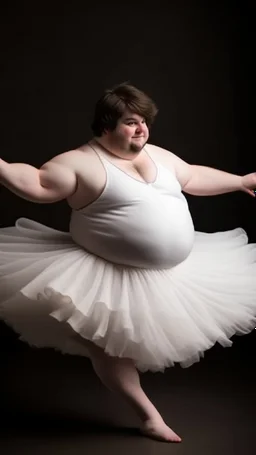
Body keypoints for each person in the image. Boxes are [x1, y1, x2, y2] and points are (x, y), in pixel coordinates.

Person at [0, 82, 256, 443]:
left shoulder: (159, 155)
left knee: (143, 340)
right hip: (103, 275)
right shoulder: (79, 162)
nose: (142, 130)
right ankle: (149, 417)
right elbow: (36, 183)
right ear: (105, 126)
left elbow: (193, 177)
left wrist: (241, 180)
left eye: (145, 122)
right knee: (111, 348)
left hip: (171, 273)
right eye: (131, 123)